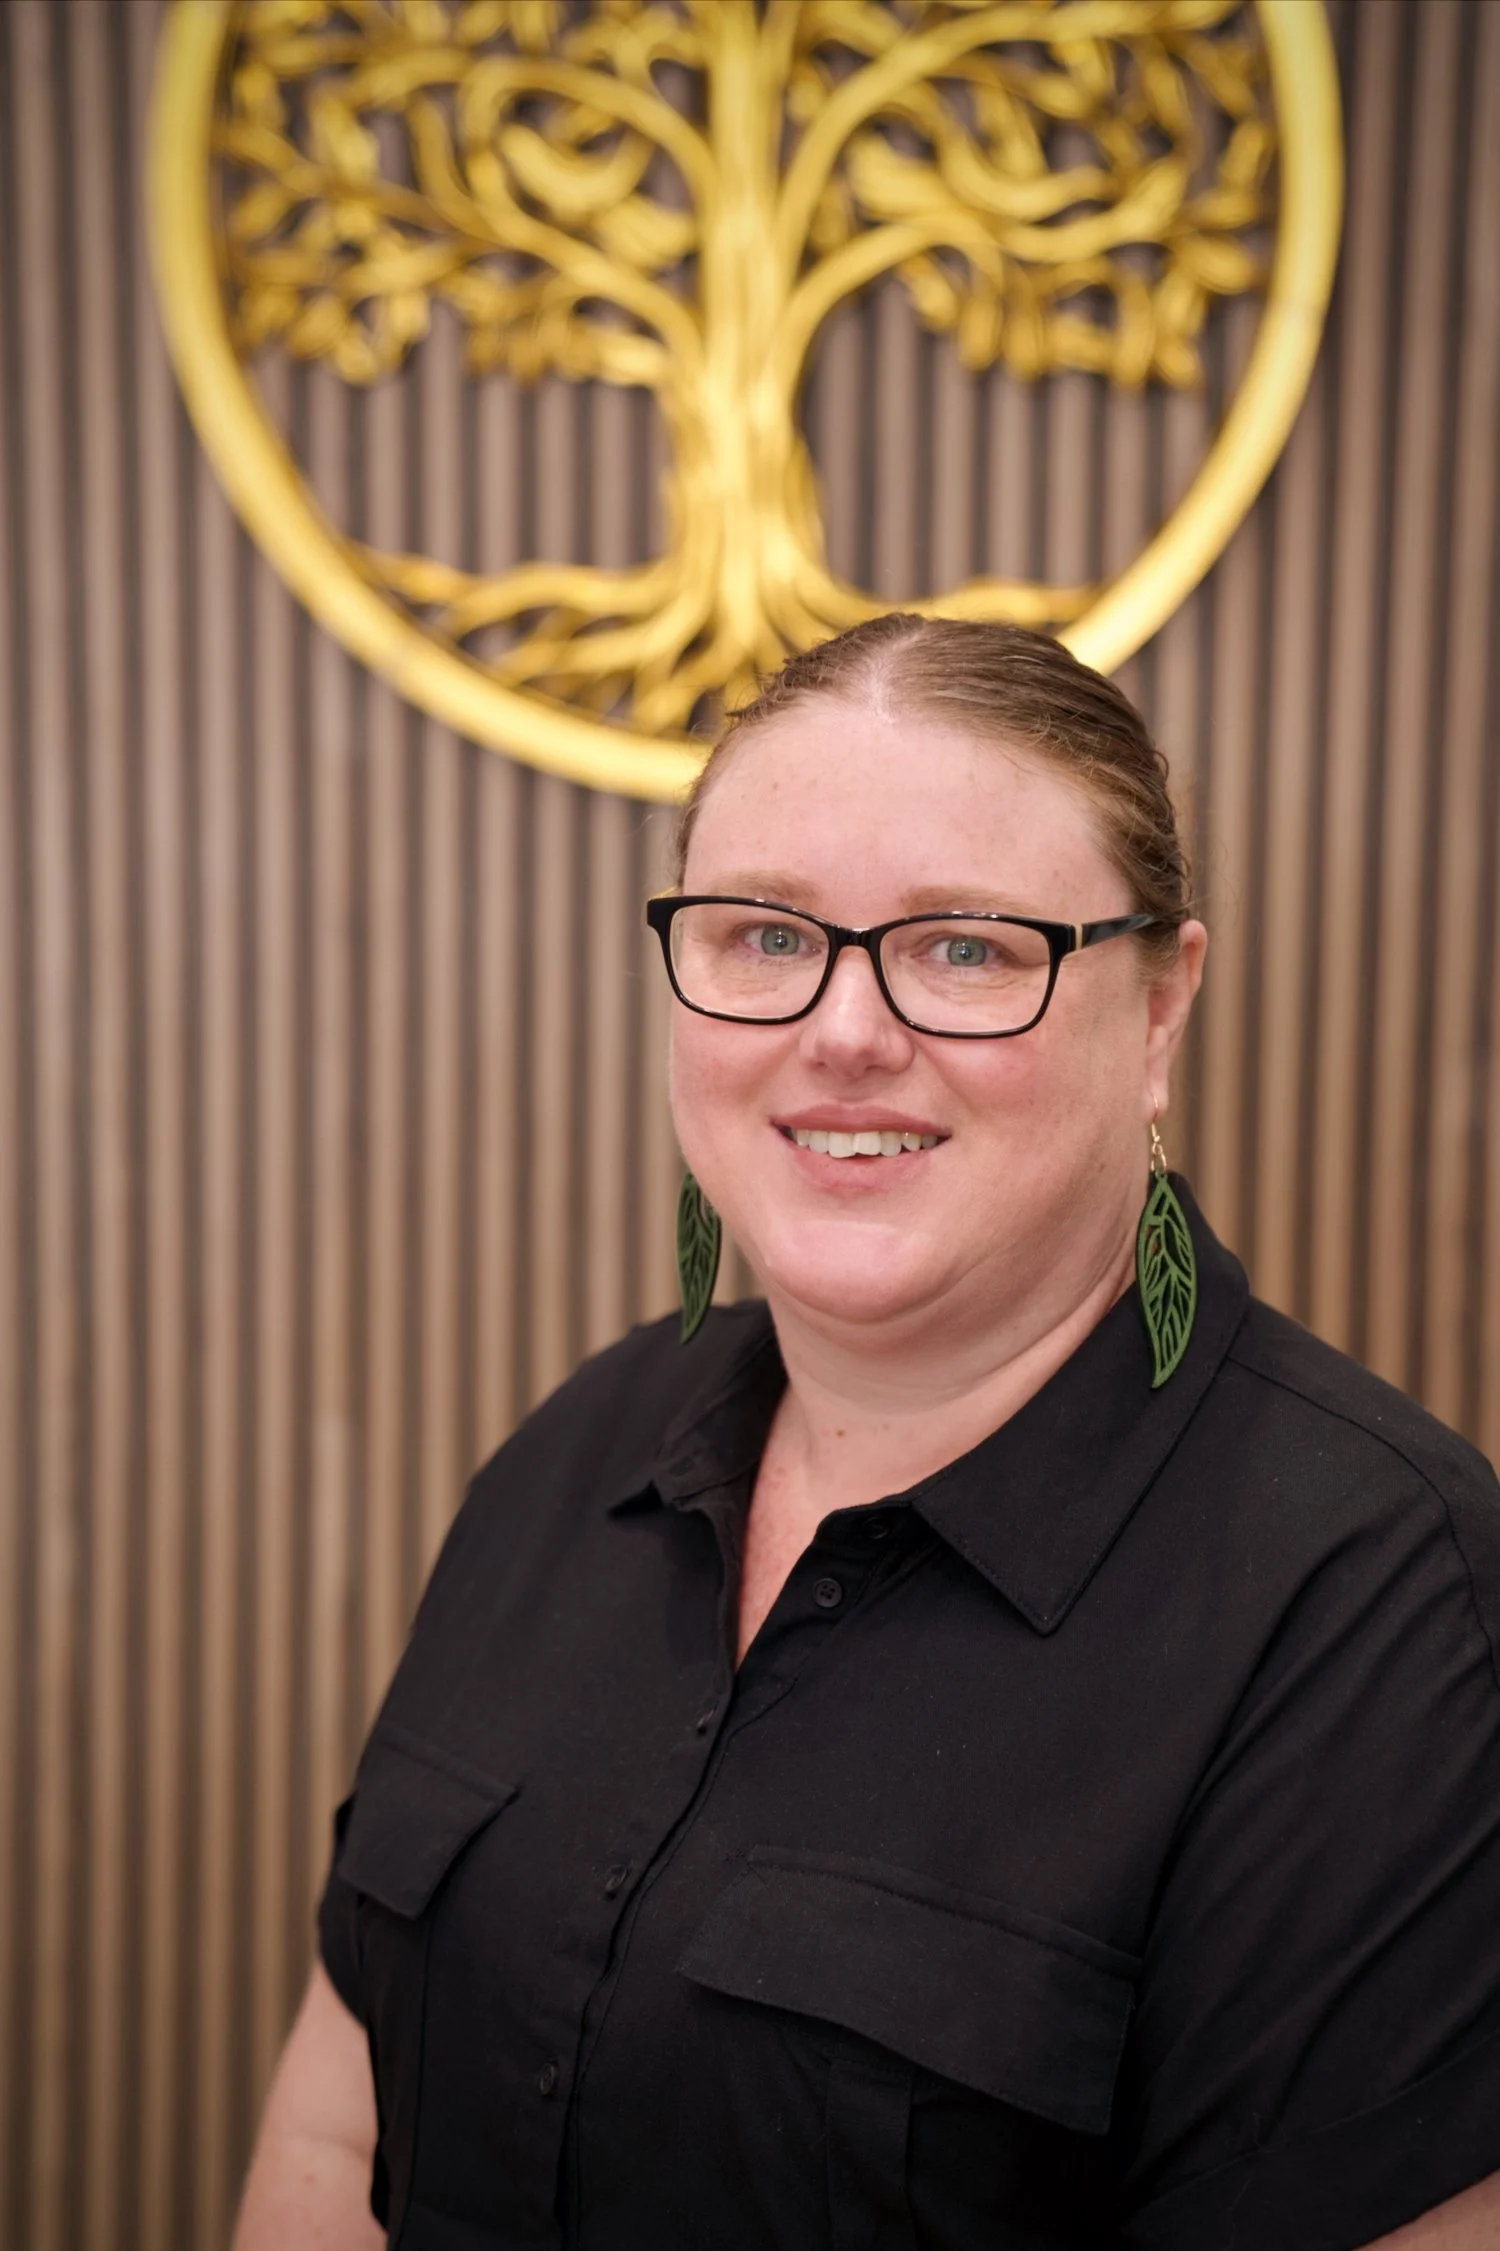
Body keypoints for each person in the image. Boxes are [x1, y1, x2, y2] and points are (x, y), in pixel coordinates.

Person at [233, 616, 1500, 2250]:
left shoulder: (1384, 1609)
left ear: (1164, 1003)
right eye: (766, 932)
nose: (842, 1031)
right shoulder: (578, 1446)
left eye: (966, 947)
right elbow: (340, 2129)